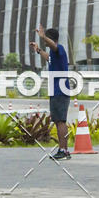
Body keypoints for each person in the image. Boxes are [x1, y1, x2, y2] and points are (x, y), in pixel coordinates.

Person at [30, 25, 71, 160]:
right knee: (59, 121)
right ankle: (63, 149)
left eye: (46, 39)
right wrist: (38, 50)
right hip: (56, 91)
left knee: (61, 121)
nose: (44, 42)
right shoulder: (54, 54)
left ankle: (63, 150)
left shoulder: (59, 49)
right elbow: (48, 57)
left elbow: (53, 46)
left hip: (60, 91)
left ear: (50, 39)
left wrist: (43, 37)